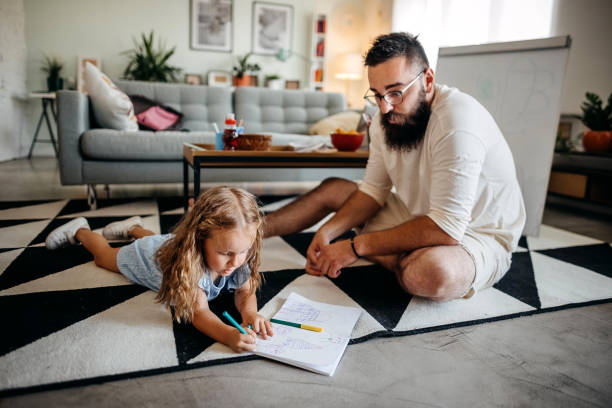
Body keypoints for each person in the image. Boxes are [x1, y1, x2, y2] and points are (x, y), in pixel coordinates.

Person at [264, 32, 526, 301]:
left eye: (396, 92)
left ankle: (399, 254)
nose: (385, 107)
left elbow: (447, 228)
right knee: (333, 189)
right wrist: (327, 231)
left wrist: (355, 247)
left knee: (431, 272)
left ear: (427, 80)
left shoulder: (458, 123)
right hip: (418, 215)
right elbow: (373, 191)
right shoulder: (384, 119)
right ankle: (252, 231)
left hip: (476, 235)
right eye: (377, 95)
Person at [45, 186, 273, 352]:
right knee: (104, 257)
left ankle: (133, 227)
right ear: (200, 240)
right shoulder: (192, 266)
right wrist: (227, 334)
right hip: (149, 256)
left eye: (243, 251)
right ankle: (80, 230)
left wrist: (250, 313)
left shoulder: (241, 256)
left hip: (168, 245)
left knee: (164, 241)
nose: (236, 262)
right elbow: (199, 313)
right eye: (226, 254)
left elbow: (245, 292)